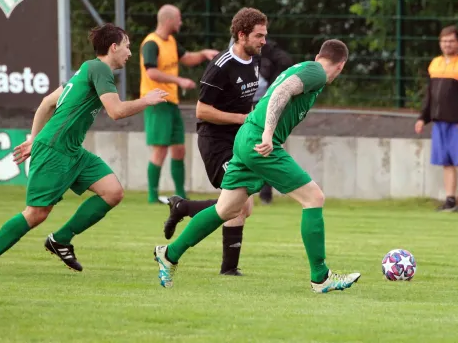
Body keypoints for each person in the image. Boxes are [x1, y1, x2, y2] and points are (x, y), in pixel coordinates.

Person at [154, 39, 362, 294]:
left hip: (245, 137)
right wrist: (268, 134)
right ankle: (321, 277)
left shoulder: (306, 69)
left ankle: (170, 254)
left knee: (227, 209)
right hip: (260, 141)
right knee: (314, 198)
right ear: (341, 66)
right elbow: (281, 92)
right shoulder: (316, 72)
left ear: (320, 54)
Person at [0, 23, 169, 275]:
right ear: (114, 47)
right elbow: (116, 111)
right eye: (127, 47)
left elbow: (46, 103)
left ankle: (60, 239)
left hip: (71, 150)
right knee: (36, 213)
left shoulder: (87, 68)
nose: (129, 53)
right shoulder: (99, 68)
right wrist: (147, 101)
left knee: (112, 192)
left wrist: (33, 139)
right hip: (55, 149)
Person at [163, 7, 268, 276]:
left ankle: (184, 207)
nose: (263, 41)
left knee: (245, 206)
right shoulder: (220, 67)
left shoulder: (255, 59)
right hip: (215, 142)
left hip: (238, 139)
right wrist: (241, 119)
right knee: (238, 204)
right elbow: (201, 111)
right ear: (242, 35)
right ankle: (227, 269)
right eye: (259, 36)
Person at [140, 4, 219, 204]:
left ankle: (181, 195)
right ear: (169, 21)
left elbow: (187, 58)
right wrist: (179, 81)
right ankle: (152, 195)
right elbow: (151, 72)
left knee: (179, 148)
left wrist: (203, 54)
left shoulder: (172, 42)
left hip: (171, 102)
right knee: (160, 149)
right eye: (179, 18)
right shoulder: (151, 43)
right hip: (156, 102)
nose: (181, 22)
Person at [415, 25, 458, 212]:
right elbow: (430, 95)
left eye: (451, 41)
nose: (447, 45)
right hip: (439, 122)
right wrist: (423, 117)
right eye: (444, 41)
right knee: (446, 162)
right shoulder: (435, 64)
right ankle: (451, 199)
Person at [252, 39, 294, 204]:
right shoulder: (233, 53)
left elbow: (285, 61)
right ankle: (258, 192)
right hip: (249, 103)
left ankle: (264, 193)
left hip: (262, 104)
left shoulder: (267, 51)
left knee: (266, 147)